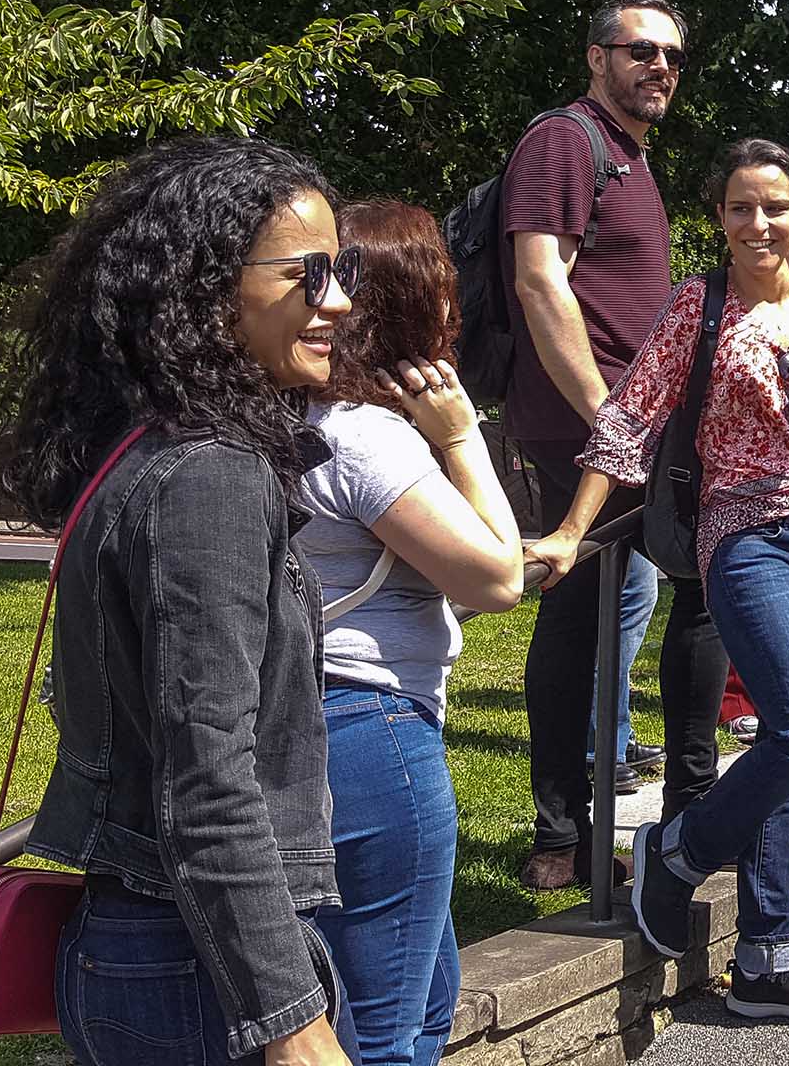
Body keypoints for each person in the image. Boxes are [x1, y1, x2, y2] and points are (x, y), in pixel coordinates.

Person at [528, 138, 789, 1025]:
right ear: (720, 218)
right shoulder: (698, 306)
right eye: (741, 207)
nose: (758, 223)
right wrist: (572, 530)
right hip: (747, 537)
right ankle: (677, 854)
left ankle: (768, 960)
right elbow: (630, 419)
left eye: (775, 207)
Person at [0, 137, 359, 1066]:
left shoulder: (146, 448)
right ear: (206, 289)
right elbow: (209, 779)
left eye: (343, 270)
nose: (340, 302)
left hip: (158, 948)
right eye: (309, 274)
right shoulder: (210, 478)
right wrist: (289, 1016)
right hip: (196, 969)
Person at [502, 0, 728, 891]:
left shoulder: (628, 156)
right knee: (647, 595)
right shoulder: (567, 141)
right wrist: (612, 419)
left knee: (656, 596)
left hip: (640, 424)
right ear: (596, 57)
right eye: (640, 50)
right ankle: (582, 834)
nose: (659, 66)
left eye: (672, 54)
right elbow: (539, 281)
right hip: (591, 424)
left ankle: (629, 825)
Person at [296, 200, 526, 1065]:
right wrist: (461, 438)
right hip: (372, 731)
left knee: (423, 1000)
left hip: (305, 719)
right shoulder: (364, 439)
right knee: (387, 1032)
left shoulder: (285, 419)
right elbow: (498, 577)